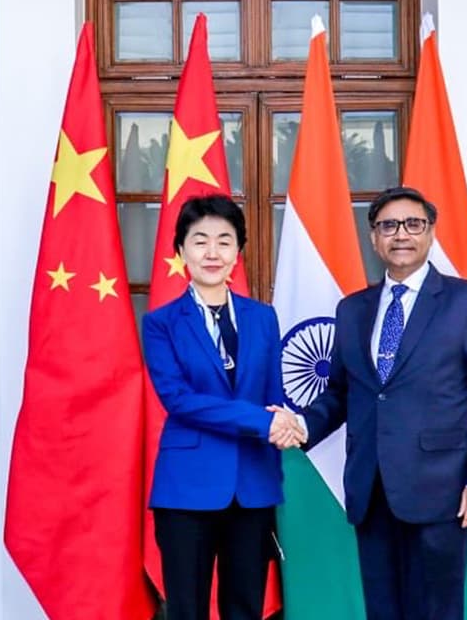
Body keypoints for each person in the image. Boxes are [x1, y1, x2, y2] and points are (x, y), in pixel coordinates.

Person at [274, 185, 467, 620]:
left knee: (437, 611)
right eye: (388, 226)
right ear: (374, 238)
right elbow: (343, 393)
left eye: (413, 224)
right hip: (371, 490)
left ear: (430, 232)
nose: (401, 234)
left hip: (442, 492)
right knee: (383, 610)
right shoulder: (353, 309)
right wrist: (303, 425)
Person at [143, 193, 303, 620]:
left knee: (245, 607)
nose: (212, 252)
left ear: (238, 251)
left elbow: (272, 397)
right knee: (187, 609)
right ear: (181, 250)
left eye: (224, 241)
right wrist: (262, 421)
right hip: (186, 488)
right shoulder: (160, 323)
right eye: (200, 241)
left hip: (253, 486)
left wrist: (284, 423)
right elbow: (180, 401)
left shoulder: (262, 318)